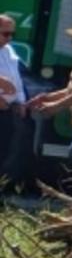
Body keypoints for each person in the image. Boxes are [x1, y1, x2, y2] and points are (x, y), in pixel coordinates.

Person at [0, 15, 24, 182]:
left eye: (12, 34)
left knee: (3, 151)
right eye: (5, 34)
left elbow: (16, 78)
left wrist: (20, 101)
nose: (9, 38)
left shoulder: (8, 50)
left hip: (6, 111)